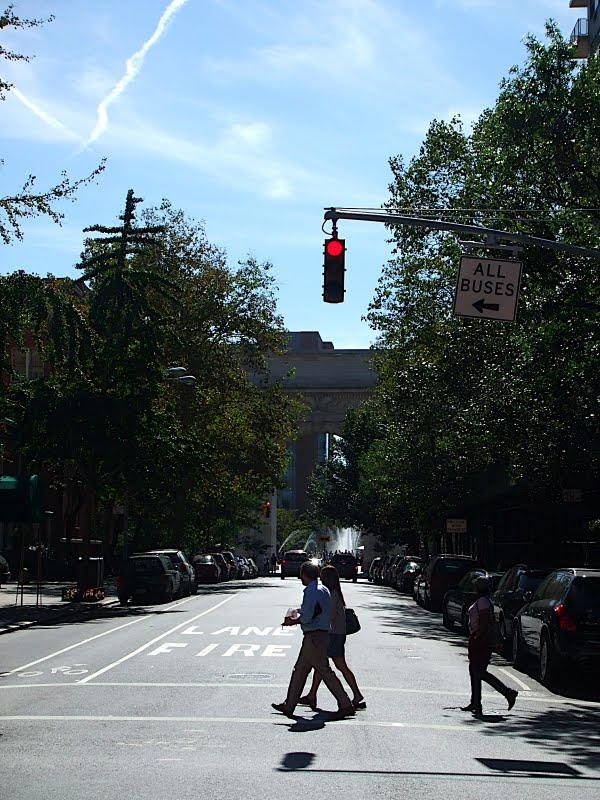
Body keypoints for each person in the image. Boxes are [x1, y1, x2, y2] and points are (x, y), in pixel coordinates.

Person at [271, 562, 355, 719]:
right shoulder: (322, 589)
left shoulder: (311, 591)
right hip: (321, 635)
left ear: (304, 574)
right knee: (300, 670)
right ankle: (289, 705)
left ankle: (345, 704)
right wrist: (301, 612)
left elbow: (308, 617)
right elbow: (318, 610)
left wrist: (293, 620)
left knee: (324, 671)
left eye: (301, 574)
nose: (300, 577)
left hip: (314, 636)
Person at [298, 565, 366, 711]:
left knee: (337, 666)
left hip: (334, 634)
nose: (320, 579)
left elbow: (329, 615)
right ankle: (312, 694)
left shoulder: (332, 594)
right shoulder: (334, 592)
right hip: (335, 633)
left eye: (322, 576)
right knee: (321, 665)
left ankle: (356, 694)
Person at [462, 576, 518, 717]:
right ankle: (475, 702)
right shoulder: (484, 601)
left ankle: (507, 692)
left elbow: (485, 622)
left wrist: (477, 636)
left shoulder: (483, 602)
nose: (474, 588)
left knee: (479, 672)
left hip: (481, 641)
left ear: (479, 588)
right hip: (479, 640)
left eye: (476, 585)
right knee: (475, 671)